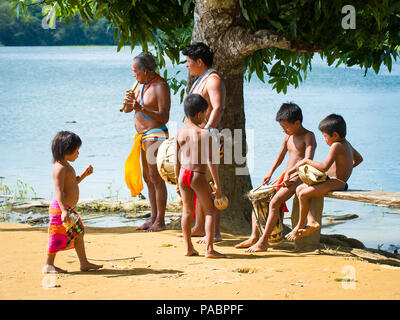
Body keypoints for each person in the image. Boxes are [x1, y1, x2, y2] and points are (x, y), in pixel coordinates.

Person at [235, 103, 317, 252]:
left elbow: (307, 161)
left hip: (298, 177)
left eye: (286, 127)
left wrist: (290, 175)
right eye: (282, 127)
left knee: (274, 202)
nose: (283, 130)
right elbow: (280, 156)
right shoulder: (288, 136)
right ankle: (254, 236)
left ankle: (263, 242)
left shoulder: (308, 136)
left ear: (297, 123)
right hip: (285, 176)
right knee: (257, 198)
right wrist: (270, 172)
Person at [285, 114, 363, 240]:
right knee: (300, 190)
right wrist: (346, 168)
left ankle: (299, 225)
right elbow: (359, 159)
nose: (324, 139)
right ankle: (311, 222)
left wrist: (307, 161)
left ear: (335, 135)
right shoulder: (347, 144)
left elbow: (324, 167)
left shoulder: (336, 145)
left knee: (304, 194)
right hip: (332, 181)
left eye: (325, 136)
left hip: (337, 182)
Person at [179, 42, 226, 243]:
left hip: (206, 136)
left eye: (189, 62)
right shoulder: (202, 79)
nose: (187, 65)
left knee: (208, 185)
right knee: (200, 184)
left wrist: (206, 131)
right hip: (198, 136)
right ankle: (199, 227)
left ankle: (214, 232)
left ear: (199, 61)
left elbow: (218, 107)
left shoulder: (213, 80)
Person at [123, 52, 171, 232]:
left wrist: (140, 108)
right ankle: (152, 217)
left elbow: (164, 116)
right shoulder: (141, 85)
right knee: (148, 178)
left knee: (156, 177)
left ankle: (161, 220)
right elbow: (129, 110)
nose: (133, 75)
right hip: (142, 135)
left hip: (156, 134)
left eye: (135, 71)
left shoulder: (160, 86)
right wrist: (129, 104)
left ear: (145, 71)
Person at [42, 131, 103, 274]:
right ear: (66, 150)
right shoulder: (60, 168)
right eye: (76, 151)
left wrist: (83, 175)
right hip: (61, 209)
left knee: (79, 233)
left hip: (68, 209)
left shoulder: (66, 165)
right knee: (57, 236)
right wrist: (63, 210)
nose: (78, 153)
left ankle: (84, 263)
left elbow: (72, 183)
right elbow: (59, 191)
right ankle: (48, 265)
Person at [175, 94, 225, 258]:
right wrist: (217, 185)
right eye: (204, 114)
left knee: (187, 212)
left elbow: (176, 159)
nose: (205, 117)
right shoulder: (204, 134)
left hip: (183, 174)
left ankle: (188, 247)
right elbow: (211, 162)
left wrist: (177, 181)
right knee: (210, 211)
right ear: (198, 114)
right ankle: (209, 250)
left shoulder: (179, 132)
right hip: (197, 174)